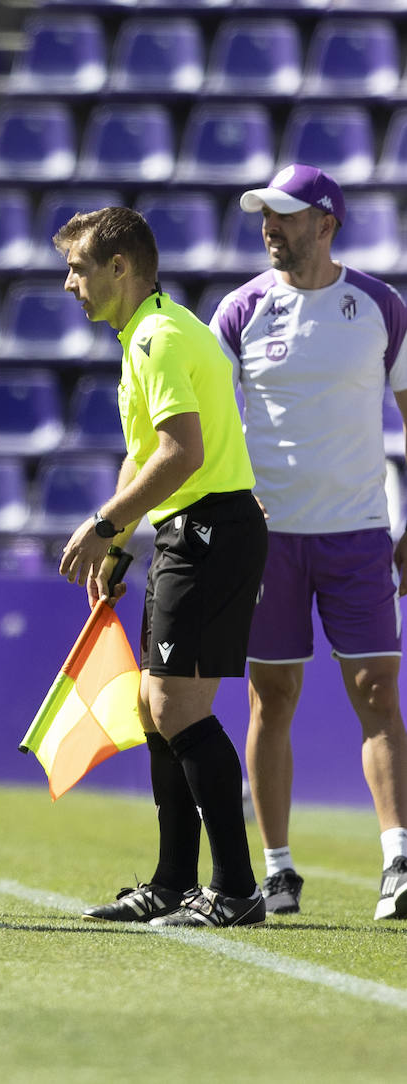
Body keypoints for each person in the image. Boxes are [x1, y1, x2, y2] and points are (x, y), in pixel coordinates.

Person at [55, 206, 268, 927]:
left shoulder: (157, 336)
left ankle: (237, 889)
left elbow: (183, 452)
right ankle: (174, 882)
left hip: (210, 529)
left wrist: (104, 523)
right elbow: (147, 453)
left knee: (175, 708)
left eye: (79, 268)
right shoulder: (146, 332)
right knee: (155, 706)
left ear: (121, 268)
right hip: (194, 531)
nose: (68, 283)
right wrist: (118, 543)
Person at [210, 164, 407, 920]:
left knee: (378, 693)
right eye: (265, 214)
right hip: (271, 540)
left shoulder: (380, 307)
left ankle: (397, 861)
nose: (271, 227)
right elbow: (210, 420)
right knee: (273, 699)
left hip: (357, 534)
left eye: (286, 215)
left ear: (326, 224)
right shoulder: (242, 310)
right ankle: (279, 869)